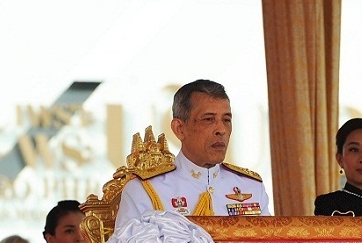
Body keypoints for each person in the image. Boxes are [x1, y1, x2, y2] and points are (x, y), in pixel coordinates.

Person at [114, 79, 272, 226]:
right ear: (179, 129)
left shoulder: (252, 187)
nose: (221, 130)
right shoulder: (145, 190)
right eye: (208, 119)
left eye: (226, 120)